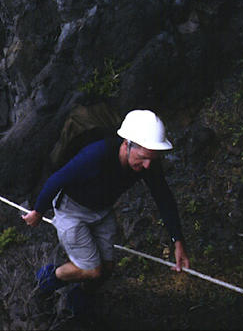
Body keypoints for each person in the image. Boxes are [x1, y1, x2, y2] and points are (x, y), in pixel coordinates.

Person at [21, 109, 190, 312]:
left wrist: (177, 240)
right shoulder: (97, 154)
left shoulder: (148, 163)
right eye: (143, 157)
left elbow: (163, 198)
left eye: (152, 159)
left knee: (107, 269)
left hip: (101, 211)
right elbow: (58, 179)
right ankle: (44, 282)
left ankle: (78, 302)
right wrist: (38, 212)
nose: (147, 165)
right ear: (127, 144)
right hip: (71, 211)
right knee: (92, 270)